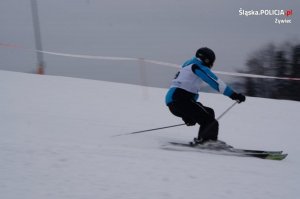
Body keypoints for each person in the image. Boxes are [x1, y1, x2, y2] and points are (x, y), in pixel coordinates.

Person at [165, 47, 246, 144]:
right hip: (180, 100)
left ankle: (204, 141)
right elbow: (215, 82)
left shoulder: (187, 65)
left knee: (209, 113)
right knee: (209, 120)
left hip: (175, 102)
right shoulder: (197, 66)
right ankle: (208, 142)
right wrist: (233, 95)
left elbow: (184, 86)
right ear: (207, 60)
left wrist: (186, 116)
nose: (211, 65)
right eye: (211, 62)